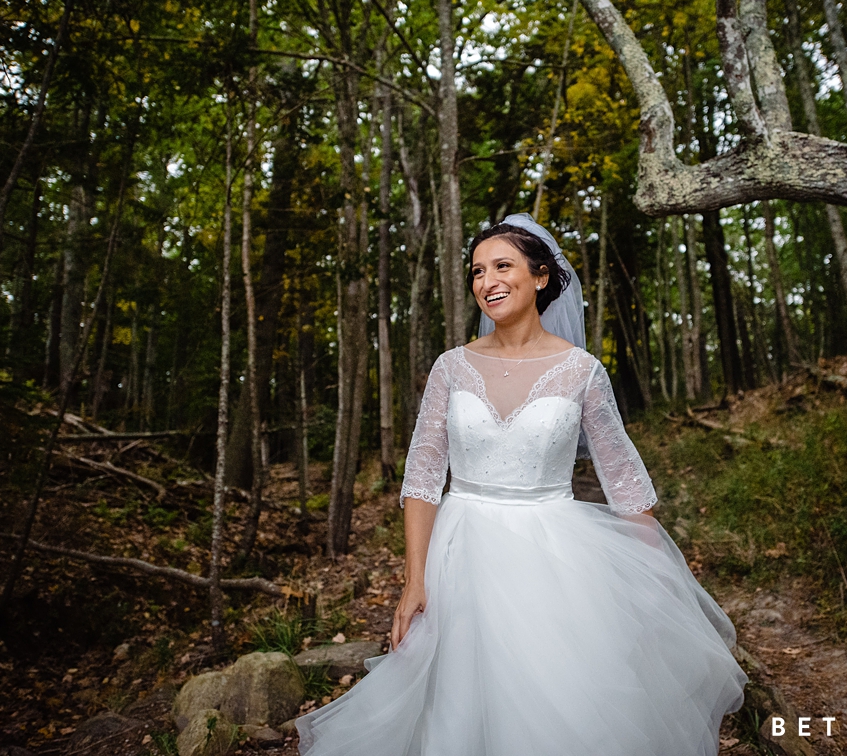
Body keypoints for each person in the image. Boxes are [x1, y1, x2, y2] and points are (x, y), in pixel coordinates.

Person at [297, 213, 746, 755]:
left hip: (555, 559)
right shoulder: (450, 368)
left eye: (502, 266)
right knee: (459, 699)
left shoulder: (582, 371)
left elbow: (627, 487)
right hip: (460, 552)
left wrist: (653, 591)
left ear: (539, 277)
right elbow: (421, 479)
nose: (488, 281)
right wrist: (415, 581)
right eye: (477, 271)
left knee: (558, 697)